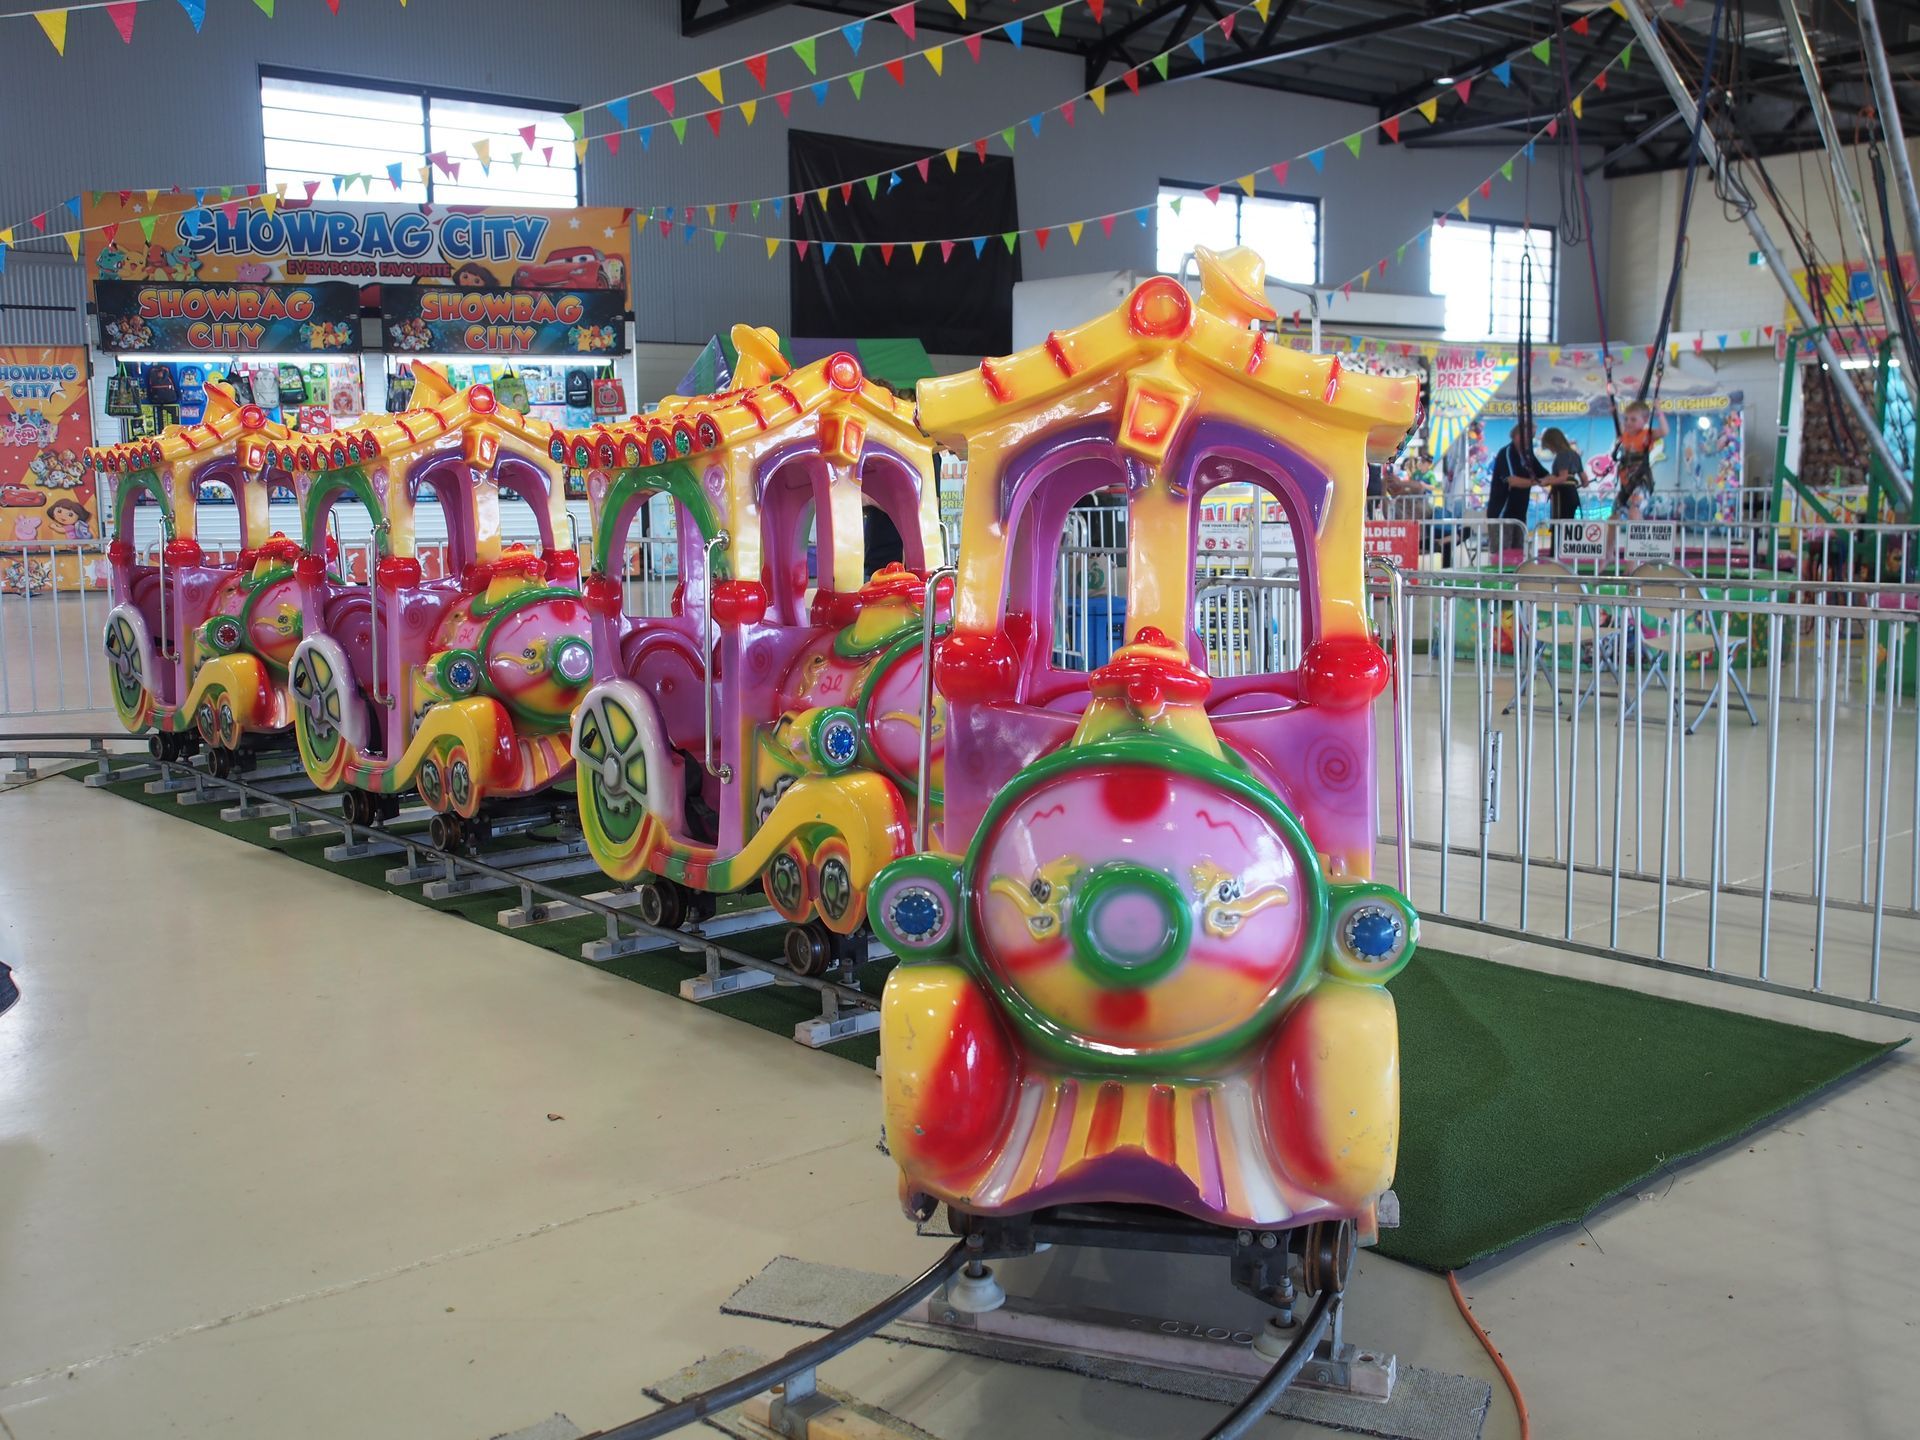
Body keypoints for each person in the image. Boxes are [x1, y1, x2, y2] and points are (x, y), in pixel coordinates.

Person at [1486, 422, 1548, 554]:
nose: (1530, 439)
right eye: (1528, 435)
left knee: (1519, 554)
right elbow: (1512, 480)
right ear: (1517, 435)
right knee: (1502, 556)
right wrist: (1536, 482)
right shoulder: (1507, 453)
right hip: (1503, 514)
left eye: (1532, 436)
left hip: (1519, 514)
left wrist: (1560, 478)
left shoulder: (1528, 456)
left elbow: (1544, 475)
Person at [1613, 399, 1663, 519]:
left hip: (1640, 481)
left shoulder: (1646, 435)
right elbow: (1619, 427)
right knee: (1614, 516)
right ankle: (1609, 538)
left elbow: (1664, 431)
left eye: (1633, 419)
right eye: (1626, 419)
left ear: (1645, 420)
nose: (1628, 423)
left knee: (1634, 510)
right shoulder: (1624, 436)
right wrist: (1614, 412)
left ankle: (1638, 537)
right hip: (1626, 483)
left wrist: (1659, 411)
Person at [1538, 427, 1586, 526]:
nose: (1550, 449)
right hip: (1572, 494)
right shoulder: (1575, 455)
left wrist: (1546, 482)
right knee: (1568, 526)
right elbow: (1585, 481)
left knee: (1559, 526)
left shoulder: (1562, 455)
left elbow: (1562, 477)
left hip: (1562, 496)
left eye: (1549, 446)